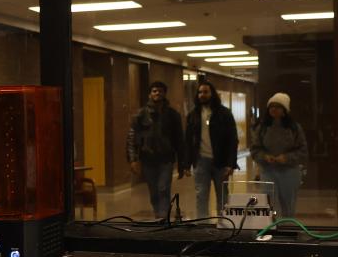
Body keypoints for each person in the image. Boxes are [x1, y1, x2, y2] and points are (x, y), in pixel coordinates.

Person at [126, 80, 185, 220]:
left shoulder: (172, 115)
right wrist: (133, 159)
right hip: (148, 158)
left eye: (160, 90)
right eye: (154, 91)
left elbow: (179, 140)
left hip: (166, 158)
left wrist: (182, 163)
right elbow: (131, 137)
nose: (157, 93)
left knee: (163, 187)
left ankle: (163, 215)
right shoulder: (141, 114)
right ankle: (158, 212)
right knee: (153, 190)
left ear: (164, 93)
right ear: (150, 94)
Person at [183, 80, 239, 220]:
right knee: (201, 195)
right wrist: (186, 163)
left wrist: (230, 163)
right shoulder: (193, 115)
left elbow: (233, 139)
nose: (202, 95)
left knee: (222, 196)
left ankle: (224, 223)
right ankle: (202, 224)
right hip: (200, 161)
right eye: (200, 92)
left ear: (212, 94)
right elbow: (188, 141)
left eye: (206, 92)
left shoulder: (224, 114)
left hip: (220, 161)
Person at [250, 92, 308, 218]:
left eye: (277, 107)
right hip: (268, 171)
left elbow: (303, 151)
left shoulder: (294, 128)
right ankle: (271, 230)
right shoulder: (262, 128)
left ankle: (288, 230)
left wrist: (286, 158)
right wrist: (265, 157)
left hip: (289, 172)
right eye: (271, 106)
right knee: (269, 204)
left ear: (285, 110)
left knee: (288, 206)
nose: (273, 109)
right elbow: (255, 150)